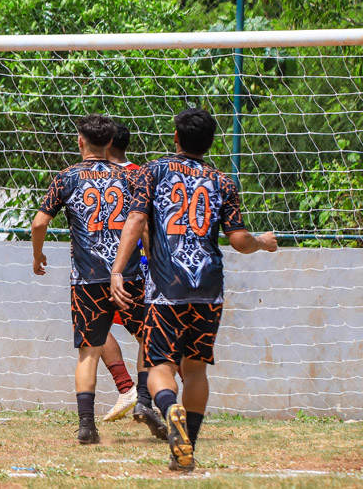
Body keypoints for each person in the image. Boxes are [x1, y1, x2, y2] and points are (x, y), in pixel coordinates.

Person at [111, 108, 277, 472]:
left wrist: (118, 269)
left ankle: (171, 409)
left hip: (166, 286)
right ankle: (185, 450)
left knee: (159, 365)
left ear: (175, 137)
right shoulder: (223, 182)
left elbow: (137, 219)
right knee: (197, 369)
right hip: (209, 287)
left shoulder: (152, 172)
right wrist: (262, 242)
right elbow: (237, 240)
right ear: (211, 142)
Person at [31, 114, 146, 445]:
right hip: (128, 276)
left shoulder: (66, 177)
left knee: (88, 352)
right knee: (147, 340)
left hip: (87, 278)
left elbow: (39, 224)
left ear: (80, 142)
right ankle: (146, 402)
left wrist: (38, 256)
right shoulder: (131, 178)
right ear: (110, 144)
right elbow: (142, 223)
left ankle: (86, 425)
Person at [100, 121, 166, 439]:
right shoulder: (140, 174)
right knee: (144, 334)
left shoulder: (88, 174)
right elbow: (147, 222)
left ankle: (132, 391)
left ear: (106, 141)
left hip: (101, 268)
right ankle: (142, 397)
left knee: (89, 329)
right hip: (134, 270)